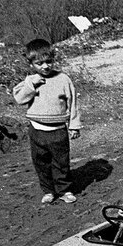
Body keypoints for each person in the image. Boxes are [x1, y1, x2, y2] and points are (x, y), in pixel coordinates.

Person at [12, 38, 81, 204]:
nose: (45, 66)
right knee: (41, 163)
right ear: (31, 64)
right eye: (39, 63)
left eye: (48, 61)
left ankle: (64, 190)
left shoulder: (63, 79)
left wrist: (74, 125)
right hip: (36, 130)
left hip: (58, 131)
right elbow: (19, 99)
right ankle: (48, 190)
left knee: (61, 162)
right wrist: (31, 85)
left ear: (53, 60)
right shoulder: (30, 81)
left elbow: (73, 104)